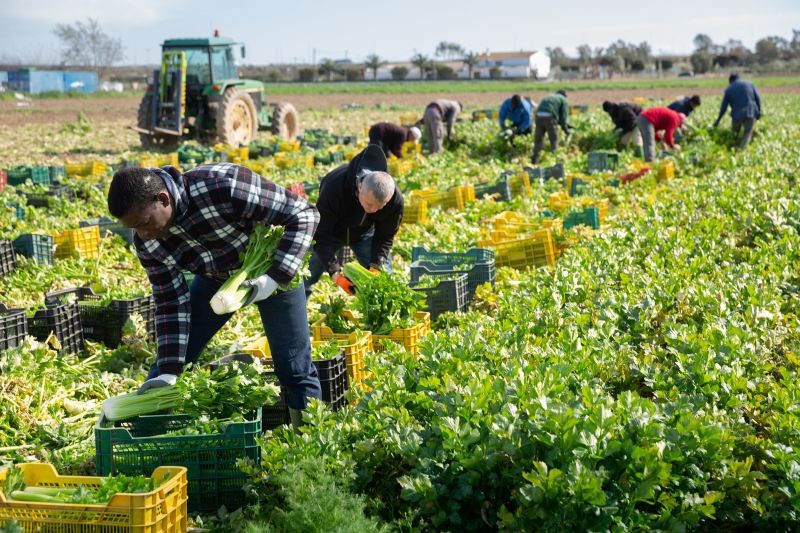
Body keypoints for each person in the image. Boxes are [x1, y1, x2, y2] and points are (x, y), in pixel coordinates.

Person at [107, 164, 321, 429]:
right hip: (216, 277)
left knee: (293, 367)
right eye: (134, 229)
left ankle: (310, 437)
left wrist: (277, 275)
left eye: (145, 224)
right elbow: (170, 302)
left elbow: (304, 214)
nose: (143, 234)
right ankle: (148, 439)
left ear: (162, 199)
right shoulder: (147, 242)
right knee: (169, 366)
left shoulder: (221, 186)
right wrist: (169, 370)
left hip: (271, 266)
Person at [304, 144, 403, 297]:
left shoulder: (395, 200)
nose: (374, 210)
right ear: (360, 187)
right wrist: (335, 273)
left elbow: (385, 235)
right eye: (369, 204)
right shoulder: (334, 187)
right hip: (331, 233)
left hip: (365, 234)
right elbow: (321, 234)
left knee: (384, 282)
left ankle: (380, 319)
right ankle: (295, 318)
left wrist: (376, 264)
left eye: (380, 207)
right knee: (304, 277)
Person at [713, 73, 762, 149]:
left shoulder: (729, 89)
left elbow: (724, 108)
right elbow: (758, 99)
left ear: (730, 81)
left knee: (734, 134)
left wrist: (718, 120)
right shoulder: (750, 84)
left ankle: (732, 149)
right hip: (750, 113)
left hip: (737, 116)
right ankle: (741, 150)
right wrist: (758, 111)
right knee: (747, 133)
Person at [531, 89, 571, 164]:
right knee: (554, 139)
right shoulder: (563, 99)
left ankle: (534, 160)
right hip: (549, 118)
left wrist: (561, 123)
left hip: (538, 117)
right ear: (565, 96)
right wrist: (565, 127)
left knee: (538, 140)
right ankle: (555, 160)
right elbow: (563, 116)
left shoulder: (549, 97)